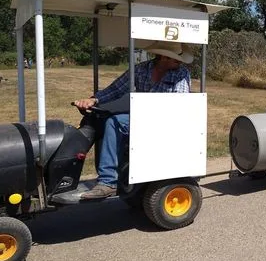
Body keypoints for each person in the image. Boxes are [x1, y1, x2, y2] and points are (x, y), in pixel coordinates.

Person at [73, 41, 193, 199]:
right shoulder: (141, 69)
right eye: (176, 58)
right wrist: (94, 100)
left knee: (115, 122)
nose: (180, 61)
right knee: (99, 119)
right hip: (142, 117)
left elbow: (179, 102)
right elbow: (116, 89)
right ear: (163, 56)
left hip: (165, 120)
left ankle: (108, 182)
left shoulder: (181, 74)